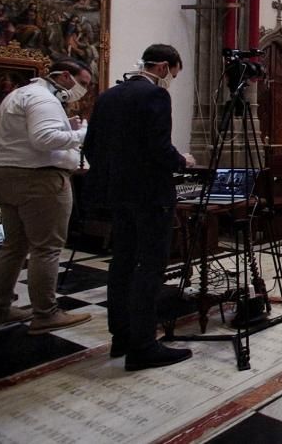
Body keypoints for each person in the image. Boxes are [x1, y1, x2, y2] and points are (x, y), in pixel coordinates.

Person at [83, 44, 196, 371]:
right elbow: (159, 148)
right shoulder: (154, 96)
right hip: (150, 195)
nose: (171, 81)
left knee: (122, 262)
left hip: (118, 194)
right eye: (173, 74)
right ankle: (144, 345)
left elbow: (91, 147)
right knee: (150, 266)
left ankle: (122, 335)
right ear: (163, 67)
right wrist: (181, 161)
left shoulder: (108, 96)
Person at [0, 58, 94, 335]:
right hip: (37, 179)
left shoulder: (20, 93)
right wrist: (81, 133)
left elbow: (30, 133)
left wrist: (65, 126)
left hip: (3, 172)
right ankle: (46, 313)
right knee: (46, 248)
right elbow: (43, 139)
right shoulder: (44, 98)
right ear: (65, 76)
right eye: (82, 83)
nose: (83, 90)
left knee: (14, 246)